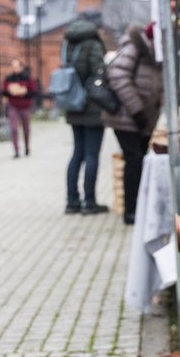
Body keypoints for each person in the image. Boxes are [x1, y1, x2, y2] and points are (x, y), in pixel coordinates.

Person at [103, 22, 180, 225]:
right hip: (126, 118)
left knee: (138, 161)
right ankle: (131, 211)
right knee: (134, 160)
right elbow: (118, 76)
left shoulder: (159, 58)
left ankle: (138, 208)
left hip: (144, 119)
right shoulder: (134, 47)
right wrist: (137, 110)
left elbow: (174, 88)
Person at [63, 12, 108, 215]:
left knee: (77, 153)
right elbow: (99, 73)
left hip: (72, 102)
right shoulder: (93, 44)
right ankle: (89, 202)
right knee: (91, 154)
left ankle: (72, 201)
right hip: (92, 106)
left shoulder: (68, 42)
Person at [1, 58, 39, 158]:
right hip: (13, 105)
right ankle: (16, 150)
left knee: (26, 128)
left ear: (21, 67)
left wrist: (24, 92)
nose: (15, 68)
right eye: (13, 66)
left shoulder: (28, 78)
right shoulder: (8, 78)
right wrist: (10, 91)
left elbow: (34, 91)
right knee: (13, 128)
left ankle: (27, 146)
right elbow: (3, 91)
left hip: (25, 106)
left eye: (17, 66)